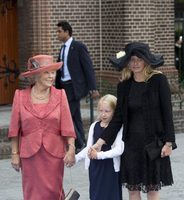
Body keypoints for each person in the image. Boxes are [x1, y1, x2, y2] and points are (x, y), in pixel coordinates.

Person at [89, 42, 177, 200]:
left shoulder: (159, 80)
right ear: (127, 62)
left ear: (146, 60)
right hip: (131, 145)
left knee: (152, 190)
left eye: (139, 59)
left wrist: (169, 143)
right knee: (133, 190)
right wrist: (100, 142)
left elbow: (167, 113)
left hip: (154, 143)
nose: (135, 63)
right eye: (131, 60)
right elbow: (118, 119)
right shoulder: (124, 85)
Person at [8, 55, 76, 200]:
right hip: (30, 156)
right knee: (32, 193)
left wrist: (71, 149)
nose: (52, 76)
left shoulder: (60, 95)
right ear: (36, 75)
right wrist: (15, 154)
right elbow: (14, 129)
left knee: (54, 192)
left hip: (54, 155)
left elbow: (67, 126)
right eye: (47, 72)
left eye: (53, 72)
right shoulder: (20, 96)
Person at [55, 20, 99, 151]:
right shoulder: (62, 48)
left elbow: (88, 67)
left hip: (74, 88)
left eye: (59, 31)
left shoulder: (78, 46)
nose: (57, 34)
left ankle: (79, 144)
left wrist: (93, 87)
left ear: (67, 32)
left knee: (66, 115)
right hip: (63, 86)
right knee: (75, 116)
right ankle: (83, 143)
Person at [76, 94, 124, 200]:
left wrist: (99, 155)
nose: (103, 114)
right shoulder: (94, 126)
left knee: (111, 195)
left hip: (110, 168)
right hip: (95, 168)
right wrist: (76, 157)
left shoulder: (118, 128)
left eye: (107, 111)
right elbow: (89, 147)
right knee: (96, 195)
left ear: (115, 112)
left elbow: (119, 149)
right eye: (101, 111)